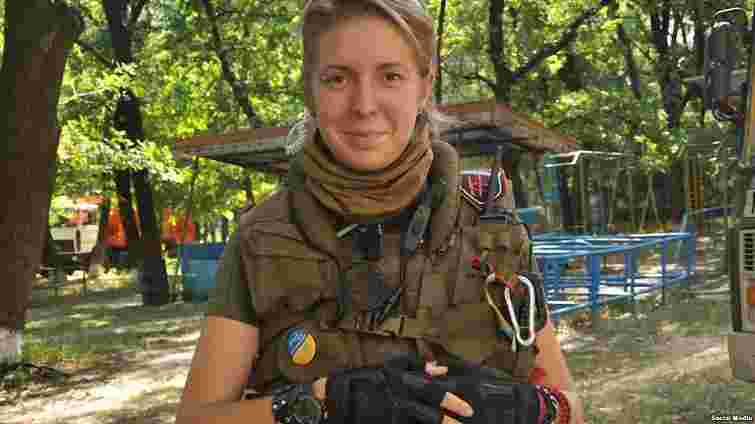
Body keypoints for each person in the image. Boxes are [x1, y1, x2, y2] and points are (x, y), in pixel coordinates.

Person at [176, 1, 584, 423]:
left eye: (390, 76)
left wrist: (527, 408)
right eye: (337, 79)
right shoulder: (262, 238)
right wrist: (322, 402)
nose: (364, 105)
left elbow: (570, 406)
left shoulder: (488, 219)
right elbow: (196, 419)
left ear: (424, 86)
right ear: (310, 91)